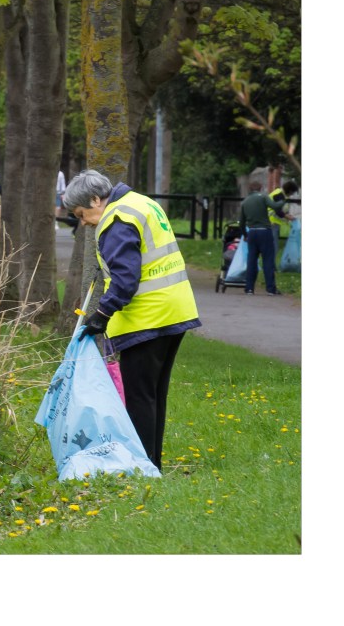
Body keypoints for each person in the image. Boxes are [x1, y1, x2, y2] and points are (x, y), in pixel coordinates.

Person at [63, 169, 201, 471]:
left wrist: (102, 315)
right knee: (154, 394)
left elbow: (125, 279)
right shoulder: (141, 203)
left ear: (95, 199)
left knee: (139, 398)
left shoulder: (117, 219)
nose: (83, 223)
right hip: (175, 310)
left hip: (147, 318)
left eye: (81, 214)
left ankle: (143, 468)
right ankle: (153, 463)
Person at [239, 180, 289, 295]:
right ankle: (270, 289)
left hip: (252, 233)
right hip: (264, 232)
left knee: (252, 260)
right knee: (268, 260)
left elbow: (241, 223)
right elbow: (275, 206)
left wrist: (245, 235)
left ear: (250, 189)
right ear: (261, 188)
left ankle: (249, 288)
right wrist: (283, 200)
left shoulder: (245, 202)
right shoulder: (263, 197)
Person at [268, 180, 299, 245]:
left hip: (274, 221)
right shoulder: (279, 195)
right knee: (273, 244)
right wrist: (288, 217)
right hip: (272, 221)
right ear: (290, 190)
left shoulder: (281, 194)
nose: (292, 194)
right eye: (293, 192)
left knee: (273, 242)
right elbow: (278, 210)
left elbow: (281, 209)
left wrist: (287, 214)